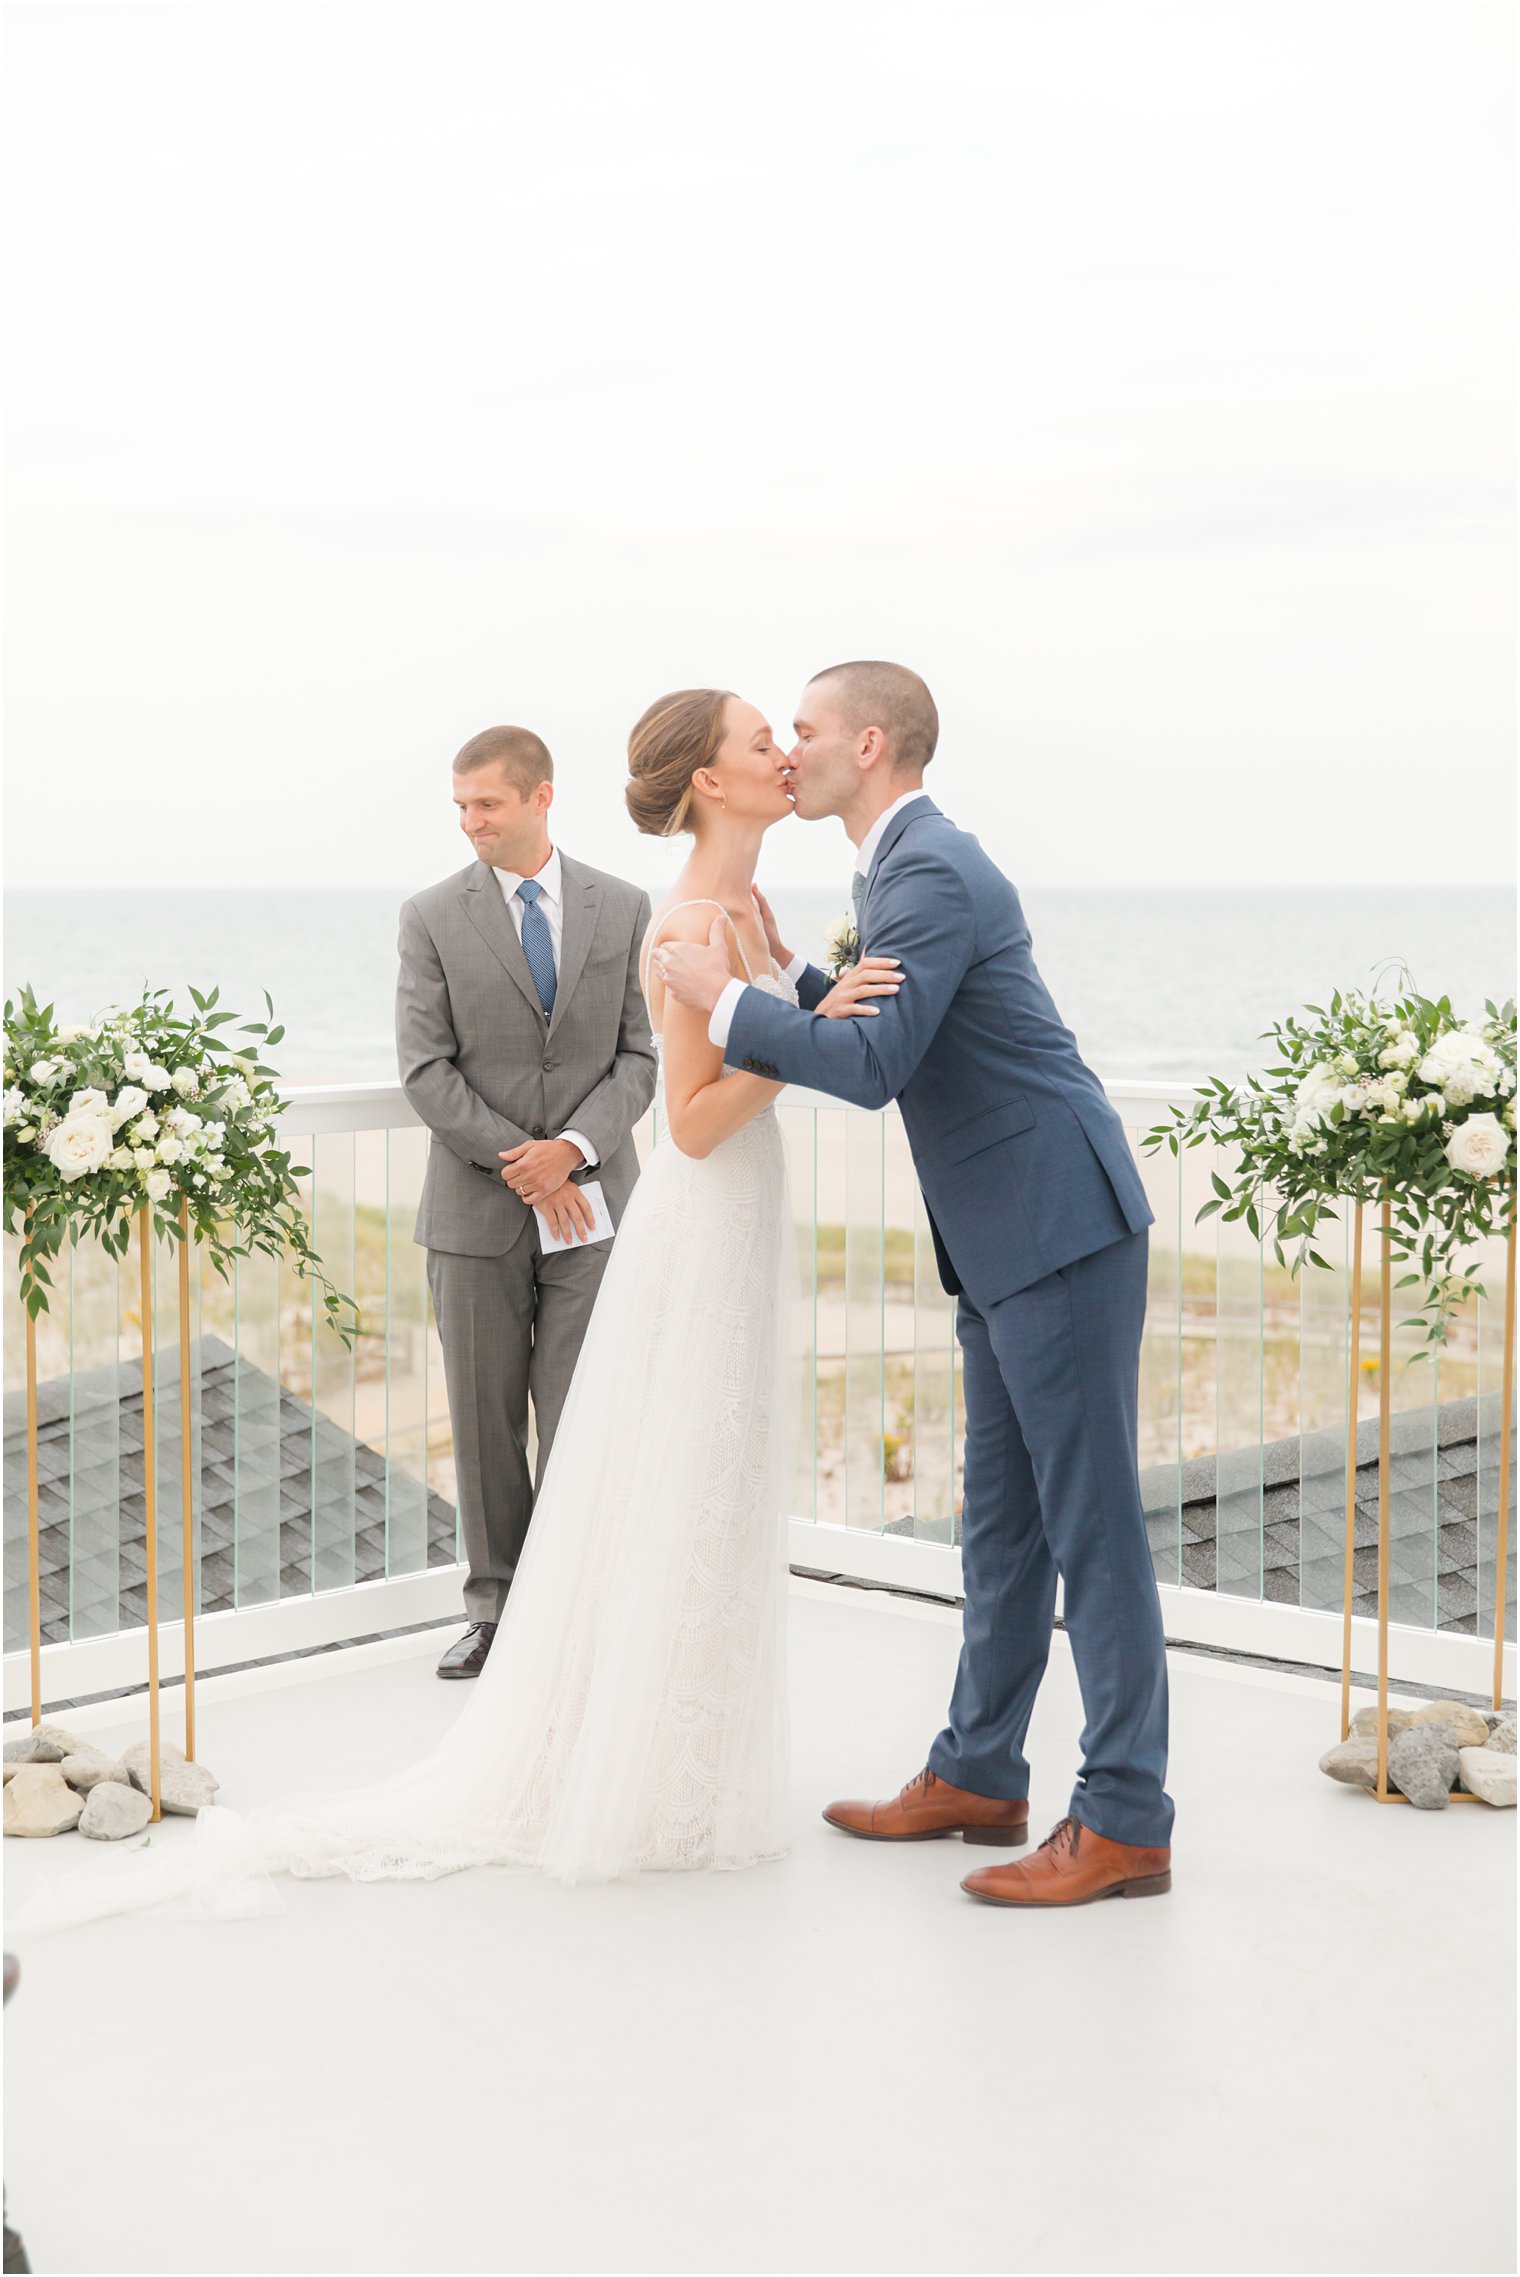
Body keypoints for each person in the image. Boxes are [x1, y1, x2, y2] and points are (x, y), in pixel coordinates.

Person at [656, 660, 1175, 1909]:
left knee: (1090, 1529)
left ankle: (1123, 1822)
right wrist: (804, 993)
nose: (791, 748)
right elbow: (887, 1023)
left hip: (1055, 1225)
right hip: (1004, 1238)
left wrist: (722, 997)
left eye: (808, 730)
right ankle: (978, 1774)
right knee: (1001, 1529)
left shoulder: (928, 869)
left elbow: (878, 1061)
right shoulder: (890, 868)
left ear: (870, 745)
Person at [397, 724, 657, 1679]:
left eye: (487, 805)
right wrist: (527, 1162)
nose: (470, 822)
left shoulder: (623, 907)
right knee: (486, 1417)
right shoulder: (429, 916)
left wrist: (576, 1152)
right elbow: (425, 1071)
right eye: (461, 806)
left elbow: (641, 1055)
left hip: (594, 1210)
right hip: (476, 1214)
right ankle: (498, 1609)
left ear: (541, 797)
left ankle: (580, 1603)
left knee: (584, 1412)